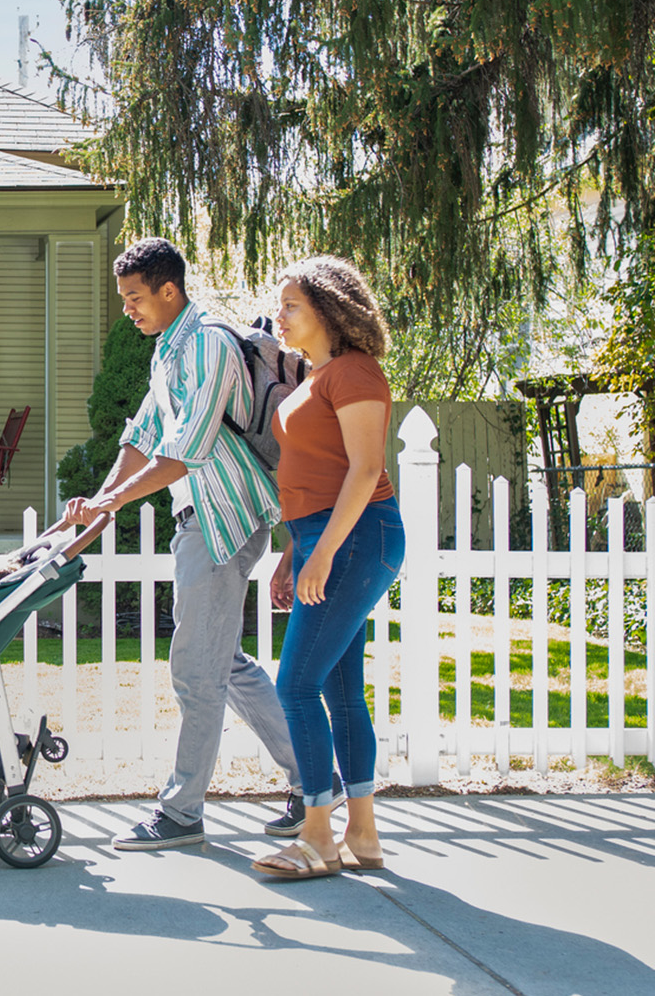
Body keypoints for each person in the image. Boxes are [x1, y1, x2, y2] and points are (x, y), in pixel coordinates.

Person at [69, 238, 310, 851]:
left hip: (222, 516)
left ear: (168, 291)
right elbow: (143, 434)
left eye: (134, 298)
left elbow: (186, 451)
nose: (127, 310)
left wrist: (112, 503)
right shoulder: (169, 351)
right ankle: (316, 781)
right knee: (221, 661)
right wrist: (97, 507)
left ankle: (182, 813)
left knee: (196, 669)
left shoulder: (203, 343)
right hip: (201, 514)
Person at [250, 256, 406, 881]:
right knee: (340, 689)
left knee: (295, 685)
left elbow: (366, 471)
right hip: (327, 535)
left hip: (359, 534)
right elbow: (321, 473)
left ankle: (316, 833)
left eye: (291, 307)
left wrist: (323, 551)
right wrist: (296, 548)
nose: (279, 317)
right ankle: (362, 836)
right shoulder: (319, 378)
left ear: (328, 311)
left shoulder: (355, 373)